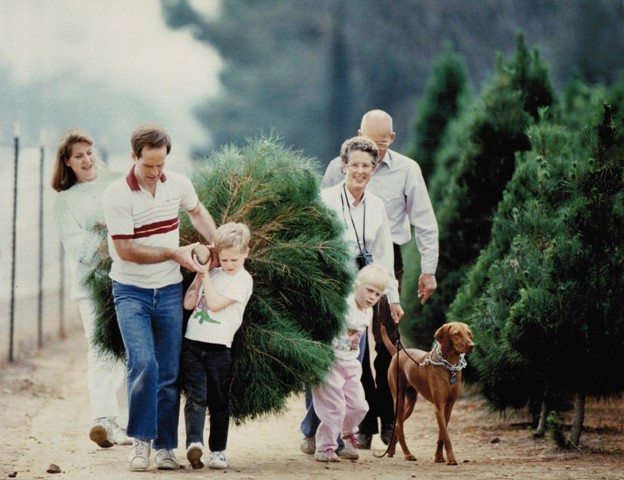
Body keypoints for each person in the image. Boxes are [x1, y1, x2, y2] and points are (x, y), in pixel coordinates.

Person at [102, 123, 217, 471]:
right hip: (130, 291)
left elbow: (196, 213)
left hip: (168, 290)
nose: (155, 172)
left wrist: (216, 246)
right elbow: (125, 250)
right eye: (149, 165)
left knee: (168, 371)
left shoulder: (177, 183)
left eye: (161, 165)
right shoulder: (116, 194)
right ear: (134, 156)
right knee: (144, 364)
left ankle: (167, 448)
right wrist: (175, 254)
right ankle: (140, 442)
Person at [321, 110, 439, 448]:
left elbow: (425, 222)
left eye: (381, 148)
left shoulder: (407, 169)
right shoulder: (337, 167)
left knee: (387, 339)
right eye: (369, 146)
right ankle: (362, 422)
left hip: (385, 261)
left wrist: (424, 272)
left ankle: (389, 418)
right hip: (341, 263)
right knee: (348, 344)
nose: (373, 156)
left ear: (393, 139)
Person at [300, 136, 401, 453]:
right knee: (321, 359)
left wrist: (393, 298)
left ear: (374, 169)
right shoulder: (325, 199)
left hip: (359, 294)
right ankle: (313, 429)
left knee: (350, 360)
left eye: (366, 166)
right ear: (343, 166)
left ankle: (341, 434)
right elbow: (311, 241)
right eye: (354, 164)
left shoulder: (377, 207)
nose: (360, 171)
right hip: (328, 290)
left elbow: (384, 255)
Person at [51, 129, 131, 449]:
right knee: (100, 352)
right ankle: (103, 420)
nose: (86, 159)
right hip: (92, 285)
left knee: (129, 351)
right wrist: (113, 236)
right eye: (78, 155)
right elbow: (80, 249)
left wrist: (116, 235)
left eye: (89, 152)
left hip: (129, 277)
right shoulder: (65, 201)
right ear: (67, 163)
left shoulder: (117, 181)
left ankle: (126, 422)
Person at [182, 222, 253, 470]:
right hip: (193, 342)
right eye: (224, 259)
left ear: (246, 253)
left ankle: (218, 451)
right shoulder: (212, 272)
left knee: (219, 401)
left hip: (219, 348)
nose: (229, 264)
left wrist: (205, 277)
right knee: (195, 396)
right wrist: (201, 273)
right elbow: (190, 304)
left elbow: (213, 304)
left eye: (234, 259)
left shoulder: (243, 280)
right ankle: (194, 443)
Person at [312, 264, 388, 463]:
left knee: (359, 406)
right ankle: (325, 447)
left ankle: (347, 435)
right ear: (356, 285)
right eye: (369, 290)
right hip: (330, 364)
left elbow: (358, 341)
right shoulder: (343, 305)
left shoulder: (368, 312)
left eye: (377, 294)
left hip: (350, 365)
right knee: (334, 408)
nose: (372, 297)